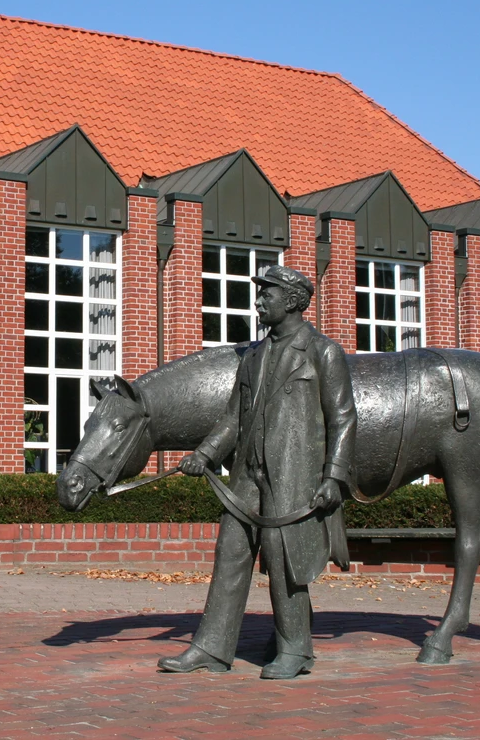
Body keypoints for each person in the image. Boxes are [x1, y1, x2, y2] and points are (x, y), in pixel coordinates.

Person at [158, 265, 356, 679]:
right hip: (247, 475)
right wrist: (206, 455)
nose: (259, 301)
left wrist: (334, 477)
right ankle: (211, 648)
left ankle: (296, 650)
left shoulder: (322, 352)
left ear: (292, 300)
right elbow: (233, 418)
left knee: (286, 561)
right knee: (229, 553)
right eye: (260, 293)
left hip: (295, 475)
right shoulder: (253, 356)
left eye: (267, 294)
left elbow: (343, 419)